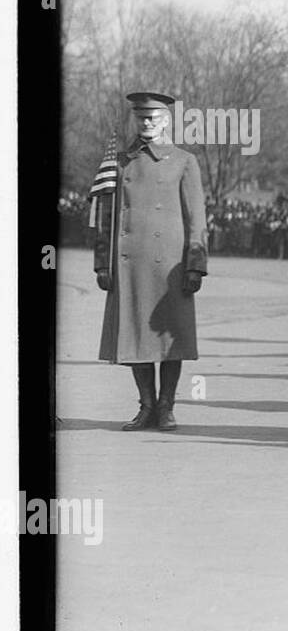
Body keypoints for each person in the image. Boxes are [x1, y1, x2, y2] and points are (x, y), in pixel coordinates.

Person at [95, 91, 208, 431]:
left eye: (153, 117)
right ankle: (146, 406)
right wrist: (102, 262)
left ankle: (166, 407)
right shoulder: (120, 160)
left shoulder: (183, 160)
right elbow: (104, 214)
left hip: (170, 266)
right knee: (135, 337)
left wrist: (195, 263)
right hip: (129, 264)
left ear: (166, 120)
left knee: (171, 342)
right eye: (141, 117)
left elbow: (197, 217)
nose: (147, 123)